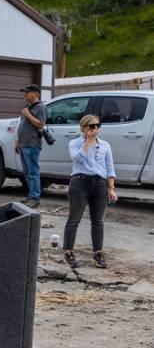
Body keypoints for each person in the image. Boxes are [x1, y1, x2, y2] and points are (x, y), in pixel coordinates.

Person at [62, 114, 117, 269]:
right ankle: (68, 251)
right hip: (80, 182)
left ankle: (98, 252)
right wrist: (88, 142)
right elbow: (77, 159)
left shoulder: (105, 145)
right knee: (74, 219)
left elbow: (110, 167)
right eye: (91, 126)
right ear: (83, 127)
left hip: (99, 183)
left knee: (98, 221)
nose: (95, 129)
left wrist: (111, 188)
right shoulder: (75, 143)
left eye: (97, 126)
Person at [14, 84, 46, 208]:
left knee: (33, 171)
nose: (25, 94)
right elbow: (23, 126)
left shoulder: (40, 108)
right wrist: (18, 141)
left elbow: (40, 124)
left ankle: (35, 198)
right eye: (25, 92)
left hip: (32, 144)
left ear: (36, 94)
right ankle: (31, 195)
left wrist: (28, 114)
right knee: (27, 172)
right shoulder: (27, 107)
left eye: (28, 92)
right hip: (23, 143)